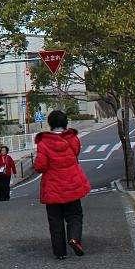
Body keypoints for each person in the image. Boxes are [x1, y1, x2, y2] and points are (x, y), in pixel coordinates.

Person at [34, 110, 92, 260]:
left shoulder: (43, 142)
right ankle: (74, 238)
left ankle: (60, 252)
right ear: (65, 123)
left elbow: (40, 166)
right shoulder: (72, 139)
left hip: (53, 186)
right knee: (74, 215)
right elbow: (76, 153)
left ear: (50, 124)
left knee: (55, 220)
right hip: (72, 183)